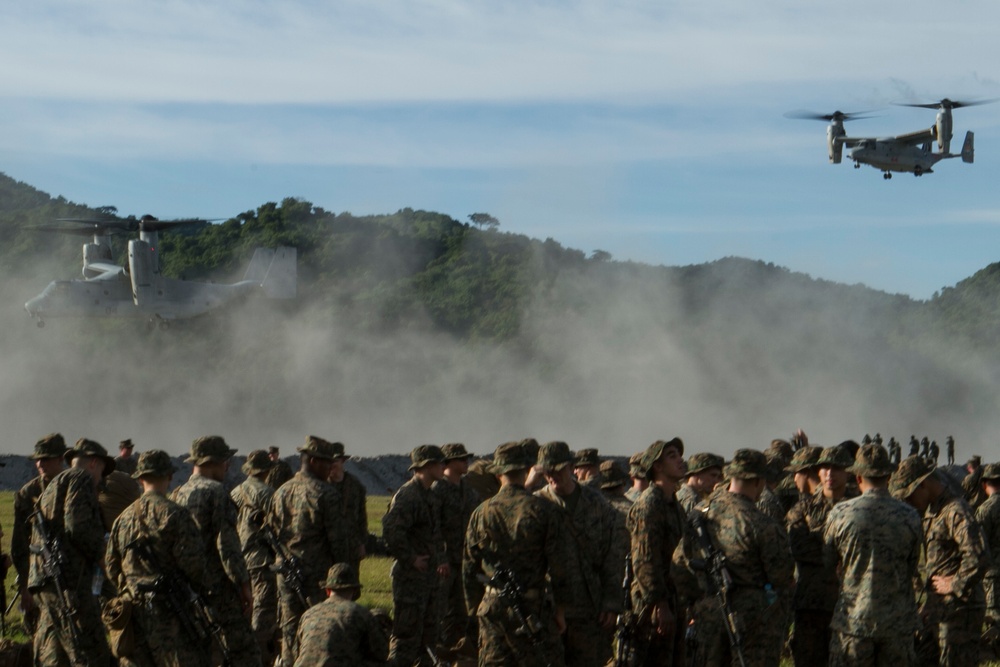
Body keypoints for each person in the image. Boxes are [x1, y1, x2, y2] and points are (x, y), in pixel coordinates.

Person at [675, 448, 794, 667]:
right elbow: (781, 577)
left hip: (708, 612)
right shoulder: (761, 524)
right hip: (752, 618)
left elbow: (680, 563)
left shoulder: (700, 512)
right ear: (758, 481)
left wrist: (696, 602)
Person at [463, 440, 570, 666]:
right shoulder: (544, 510)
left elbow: (469, 567)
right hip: (533, 608)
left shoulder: (480, 513)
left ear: (498, 475)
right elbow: (560, 567)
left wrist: (475, 609)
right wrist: (560, 610)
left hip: (493, 609)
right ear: (525, 471)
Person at [105, 450, 211, 667]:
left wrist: (129, 587)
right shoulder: (176, 514)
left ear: (140, 479)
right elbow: (194, 566)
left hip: (132, 614)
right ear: (169, 476)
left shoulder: (122, 520)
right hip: (169, 612)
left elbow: (112, 567)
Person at [824, 443, 922, 667]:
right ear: (888, 476)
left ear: (858, 477)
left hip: (853, 622)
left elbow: (828, 562)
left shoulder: (840, 514)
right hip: (898, 623)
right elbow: (912, 565)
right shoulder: (910, 516)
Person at [171, 435, 261, 667]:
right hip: (218, 589)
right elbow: (227, 546)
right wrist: (244, 585)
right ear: (212, 462)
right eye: (225, 461)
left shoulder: (177, 494)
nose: (227, 466)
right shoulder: (217, 493)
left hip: (187, 590)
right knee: (244, 652)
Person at [890, 455, 988, 666]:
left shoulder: (955, 510)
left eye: (909, 496)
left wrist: (955, 583)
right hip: (941, 610)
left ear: (923, 485)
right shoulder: (934, 511)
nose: (908, 502)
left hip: (961, 612)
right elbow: (940, 563)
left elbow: (979, 555)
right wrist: (930, 603)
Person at [535, 442, 625, 667]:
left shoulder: (596, 503)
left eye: (558, 470)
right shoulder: (536, 505)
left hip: (589, 607)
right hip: (550, 607)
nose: (553, 476)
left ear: (571, 467)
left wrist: (611, 602)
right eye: (547, 472)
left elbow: (612, 554)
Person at [28, 438, 113, 665]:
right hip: (69, 583)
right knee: (90, 653)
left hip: (46, 581)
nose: (100, 480)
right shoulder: (81, 478)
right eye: (102, 471)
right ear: (94, 462)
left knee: (56, 655)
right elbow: (78, 526)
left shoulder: (52, 486)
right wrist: (103, 558)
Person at [268, 435, 351, 666]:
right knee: (320, 632)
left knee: (289, 628)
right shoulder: (326, 494)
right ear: (313, 461)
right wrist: (345, 579)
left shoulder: (281, 491)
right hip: (318, 578)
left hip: (286, 573)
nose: (331, 467)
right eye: (327, 462)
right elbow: (339, 543)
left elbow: (272, 533)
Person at [784, 445, 857, 667]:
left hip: (851, 604)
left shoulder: (858, 507)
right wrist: (840, 554)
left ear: (848, 472)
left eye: (837, 468)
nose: (830, 473)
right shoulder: (803, 509)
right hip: (812, 604)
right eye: (825, 468)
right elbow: (799, 548)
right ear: (818, 471)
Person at [382, 445, 449, 667]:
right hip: (410, 578)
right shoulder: (408, 495)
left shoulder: (430, 496)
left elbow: (435, 535)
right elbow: (391, 532)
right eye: (440, 463)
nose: (444, 467)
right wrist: (411, 558)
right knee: (406, 637)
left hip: (428, 578)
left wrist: (440, 560)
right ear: (427, 466)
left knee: (429, 638)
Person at [625, 438, 688, 666]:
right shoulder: (649, 505)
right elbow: (644, 561)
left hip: (673, 600)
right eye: (672, 456)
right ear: (657, 467)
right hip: (652, 605)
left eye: (679, 455)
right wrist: (660, 605)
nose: (680, 460)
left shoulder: (674, 505)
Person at [12, 433, 67, 632]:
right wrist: (24, 586)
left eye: (46, 459)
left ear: (60, 459)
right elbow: (19, 545)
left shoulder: (73, 489)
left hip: (71, 575)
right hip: (39, 575)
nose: (40, 464)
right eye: (37, 460)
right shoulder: (28, 494)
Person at [431, 443, 481, 658]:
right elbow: (433, 527)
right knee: (439, 607)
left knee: (461, 610)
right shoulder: (438, 490)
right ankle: (434, 650)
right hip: (444, 561)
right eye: (461, 459)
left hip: (464, 559)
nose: (466, 462)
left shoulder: (468, 491)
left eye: (466, 458)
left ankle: (455, 650)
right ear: (448, 463)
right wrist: (440, 558)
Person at [231, 449, 279, 664]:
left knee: (243, 610)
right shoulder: (269, 494)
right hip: (262, 561)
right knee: (263, 611)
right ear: (266, 471)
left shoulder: (235, 493)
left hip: (238, 560)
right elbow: (277, 529)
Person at [292, 563, 389, 666]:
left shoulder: (308, 614)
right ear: (354, 591)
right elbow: (381, 653)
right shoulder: (361, 614)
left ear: (327, 591)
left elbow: (295, 652)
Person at [325, 442, 368, 574]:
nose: (332, 464)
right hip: (327, 547)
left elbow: (362, 517)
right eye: (329, 461)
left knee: (351, 582)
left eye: (335, 461)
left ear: (343, 461)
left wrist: (362, 543)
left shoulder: (355, 485)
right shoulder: (321, 485)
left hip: (351, 547)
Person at [976, 463, 1000, 630]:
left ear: (984, 484)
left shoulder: (985, 509)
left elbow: (979, 545)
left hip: (993, 574)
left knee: (994, 618)